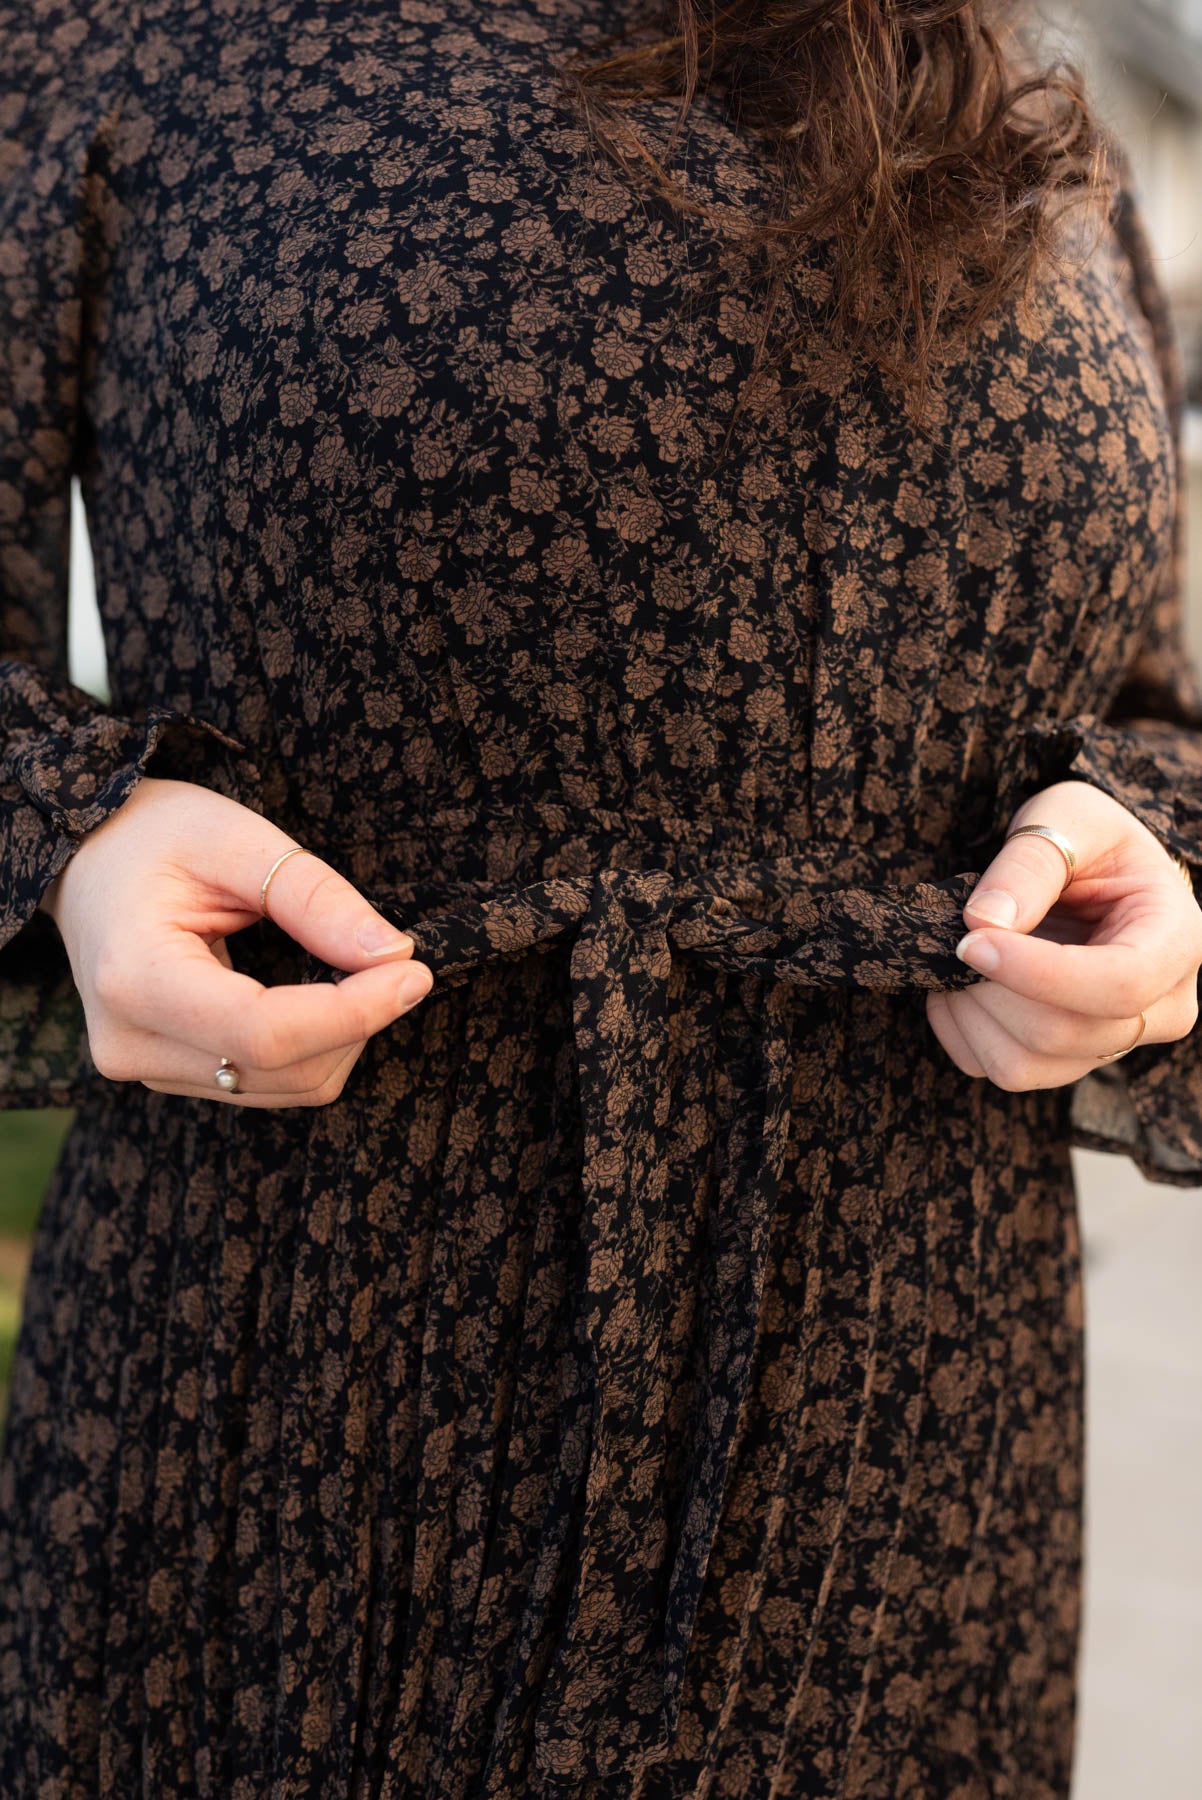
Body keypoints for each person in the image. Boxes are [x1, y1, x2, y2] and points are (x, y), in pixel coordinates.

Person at [1, 0, 1201, 1794]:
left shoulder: (1004, 70)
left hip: (912, 1443)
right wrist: (75, 839)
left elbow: (1143, 709)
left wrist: (1141, 876)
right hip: (313, 1392)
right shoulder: (97, 36)